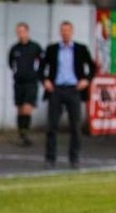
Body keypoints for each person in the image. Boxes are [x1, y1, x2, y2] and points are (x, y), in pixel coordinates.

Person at [38, 21, 96, 169]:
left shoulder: (80, 49)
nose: (65, 33)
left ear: (72, 32)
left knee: (75, 126)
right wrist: (45, 81)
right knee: (52, 126)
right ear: (60, 32)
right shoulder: (52, 49)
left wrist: (86, 80)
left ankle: (74, 158)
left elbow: (93, 67)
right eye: (63, 31)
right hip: (56, 89)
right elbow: (40, 69)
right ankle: (50, 158)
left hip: (73, 89)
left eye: (67, 31)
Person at [8, 22, 43, 147]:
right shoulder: (15, 49)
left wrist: (37, 74)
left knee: (27, 108)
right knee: (19, 108)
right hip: (19, 82)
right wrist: (17, 72)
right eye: (18, 32)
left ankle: (26, 133)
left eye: (23, 31)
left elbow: (42, 61)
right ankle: (21, 133)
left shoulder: (35, 47)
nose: (20, 34)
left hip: (31, 82)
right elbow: (11, 63)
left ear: (27, 32)